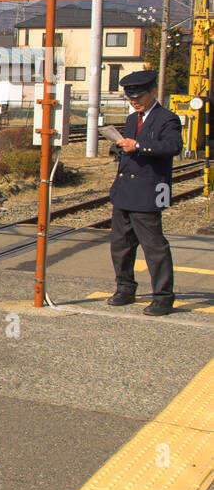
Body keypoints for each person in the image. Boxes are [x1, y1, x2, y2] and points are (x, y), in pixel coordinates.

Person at [106, 69, 182, 316]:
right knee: (121, 245)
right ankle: (125, 288)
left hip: (148, 190)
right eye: (130, 98)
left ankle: (163, 296)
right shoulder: (131, 120)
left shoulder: (167, 118)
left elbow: (172, 146)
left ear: (153, 92)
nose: (134, 101)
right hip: (125, 191)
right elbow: (131, 149)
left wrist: (138, 145)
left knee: (154, 247)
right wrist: (120, 148)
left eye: (138, 96)